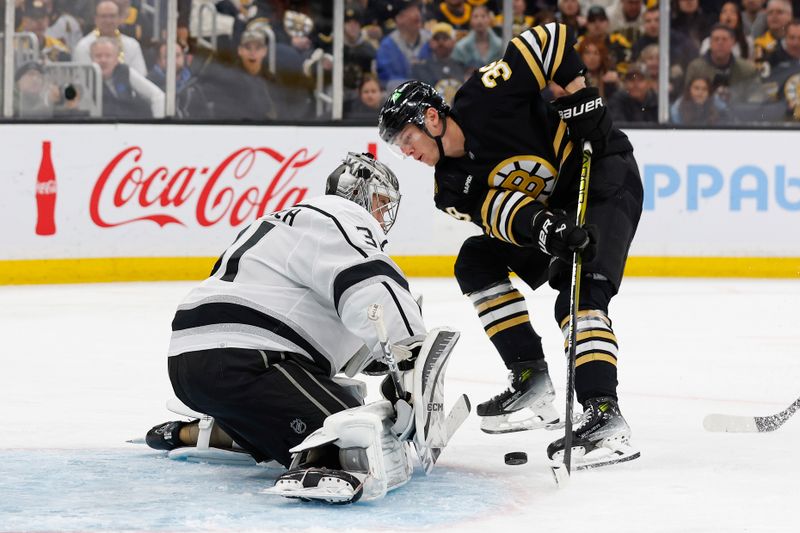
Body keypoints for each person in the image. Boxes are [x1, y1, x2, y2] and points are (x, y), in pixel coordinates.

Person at [378, 20, 642, 468]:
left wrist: (577, 93)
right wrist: (547, 230)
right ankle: (531, 377)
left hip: (601, 174)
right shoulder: (450, 190)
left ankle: (605, 415)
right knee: (475, 259)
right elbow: (504, 216)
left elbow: (552, 38)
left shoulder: (484, 96)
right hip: (555, 210)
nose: (407, 153)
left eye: (407, 140)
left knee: (579, 295)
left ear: (432, 118)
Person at [146, 152, 429, 502]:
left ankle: (198, 433)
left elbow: (309, 307)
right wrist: (410, 350)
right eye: (381, 202)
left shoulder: (284, 221)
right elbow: (369, 283)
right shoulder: (342, 215)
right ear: (358, 194)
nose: (383, 215)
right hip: (249, 358)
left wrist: (376, 351)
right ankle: (324, 460)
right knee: (359, 431)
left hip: (192, 361)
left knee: (319, 398)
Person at [684, 23, 760, 104]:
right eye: (716, 39)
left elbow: (757, 98)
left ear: (733, 42)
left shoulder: (747, 70)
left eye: (724, 39)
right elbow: (687, 99)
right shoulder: (696, 68)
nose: (720, 43)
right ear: (710, 43)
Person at [91, 36, 164, 119]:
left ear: (117, 59)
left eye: (108, 56)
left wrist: (158, 126)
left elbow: (158, 96)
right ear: (91, 59)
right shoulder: (84, 77)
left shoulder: (126, 72)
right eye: (98, 56)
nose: (103, 60)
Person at [72, 0, 147, 76]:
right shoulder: (83, 46)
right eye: (103, 16)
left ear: (119, 19)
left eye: (112, 16)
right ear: (96, 19)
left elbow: (141, 76)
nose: (108, 21)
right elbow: (82, 79)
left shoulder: (132, 45)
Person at [376, 0, 430, 91]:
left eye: (417, 10)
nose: (416, 14)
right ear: (399, 19)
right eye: (410, 11)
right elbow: (386, 79)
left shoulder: (430, 40)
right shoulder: (388, 46)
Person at [411, 22, 469, 104]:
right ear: (430, 43)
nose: (441, 42)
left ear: (453, 42)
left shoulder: (463, 67)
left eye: (445, 38)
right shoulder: (420, 68)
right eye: (436, 39)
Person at [452, 4, 505, 70]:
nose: (479, 21)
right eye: (475, 17)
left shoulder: (501, 46)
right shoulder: (461, 47)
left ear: (489, 19)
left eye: (483, 16)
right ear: (470, 20)